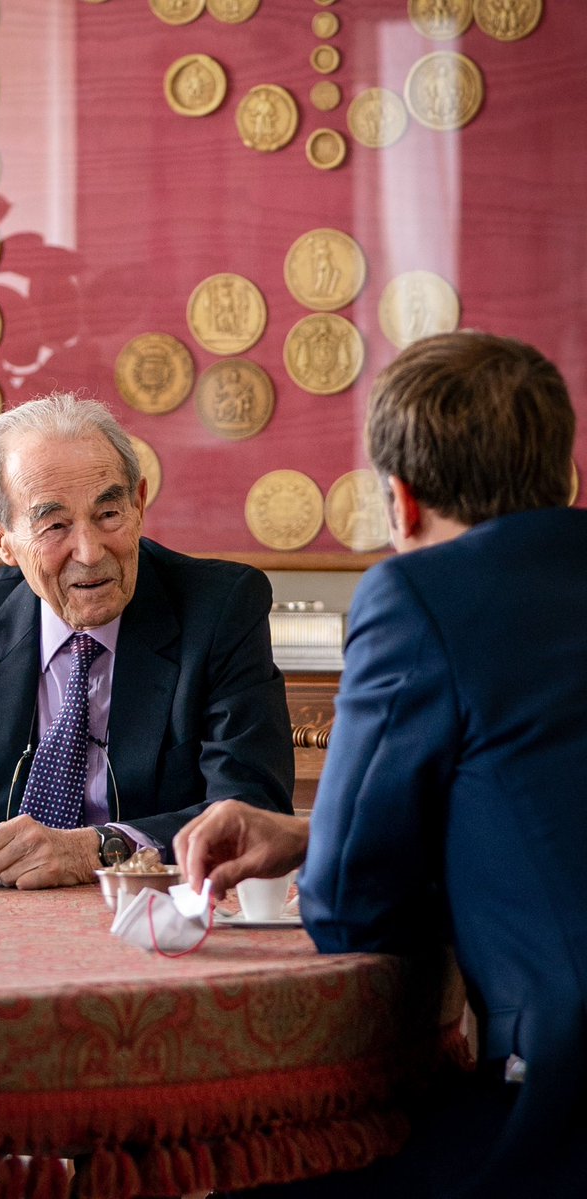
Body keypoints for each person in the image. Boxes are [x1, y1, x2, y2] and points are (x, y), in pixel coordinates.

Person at [176, 331, 587, 1198]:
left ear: (399, 503)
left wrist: (331, 852)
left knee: (260, 1169)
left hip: (555, 1106)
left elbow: (351, 906)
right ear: (568, 478)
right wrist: (306, 830)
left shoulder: (417, 595)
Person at [0, 393, 294, 887]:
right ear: (0, 537)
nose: (90, 553)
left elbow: (252, 811)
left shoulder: (219, 609)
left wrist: (99, 848)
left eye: (109, 514)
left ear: (138, 503)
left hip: (147, 919)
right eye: (54, 526)